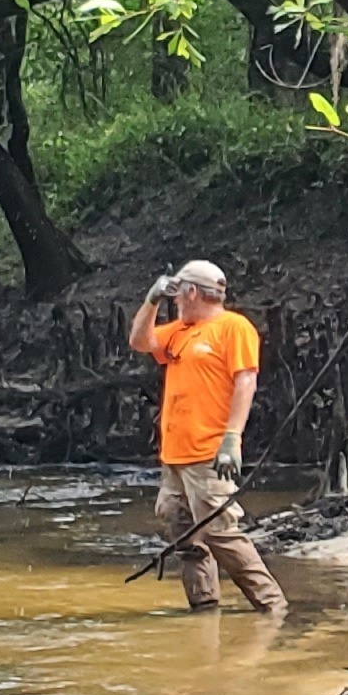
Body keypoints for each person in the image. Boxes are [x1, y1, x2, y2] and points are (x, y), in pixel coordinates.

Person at [127, 259, 287, 614]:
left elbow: (246, 380)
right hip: (175, 455)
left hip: (209, 452)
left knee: (219, 531)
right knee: (182, 531)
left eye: (177, 295)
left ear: (192, 292)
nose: (176, 303)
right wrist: (152, 299)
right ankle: (204, 608)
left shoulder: (233, 327)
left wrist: (232, 439)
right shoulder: (179, 332)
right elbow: (140, 340)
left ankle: (273, 607)